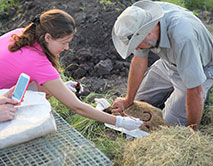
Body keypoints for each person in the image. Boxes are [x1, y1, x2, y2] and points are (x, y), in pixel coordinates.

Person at [0, 9, 142, 130]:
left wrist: (61, 87)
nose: (67, 48)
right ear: (48, 37)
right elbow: (77, 107)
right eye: (64, 42)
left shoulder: (20, 34)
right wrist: (119, 122)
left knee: (48, 88)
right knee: (44, 92)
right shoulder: (37, 62)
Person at [111, 0, 213, 131]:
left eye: (137, 43)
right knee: (138, 104)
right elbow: (138, 62)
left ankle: (197, 104)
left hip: (201, 66)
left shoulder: (183, 38)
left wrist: (191, 132)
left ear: (148, 32)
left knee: (170, 123)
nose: (136, 48)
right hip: (169, 62)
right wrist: (128, 100)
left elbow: (195, 90)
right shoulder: (141, 20)